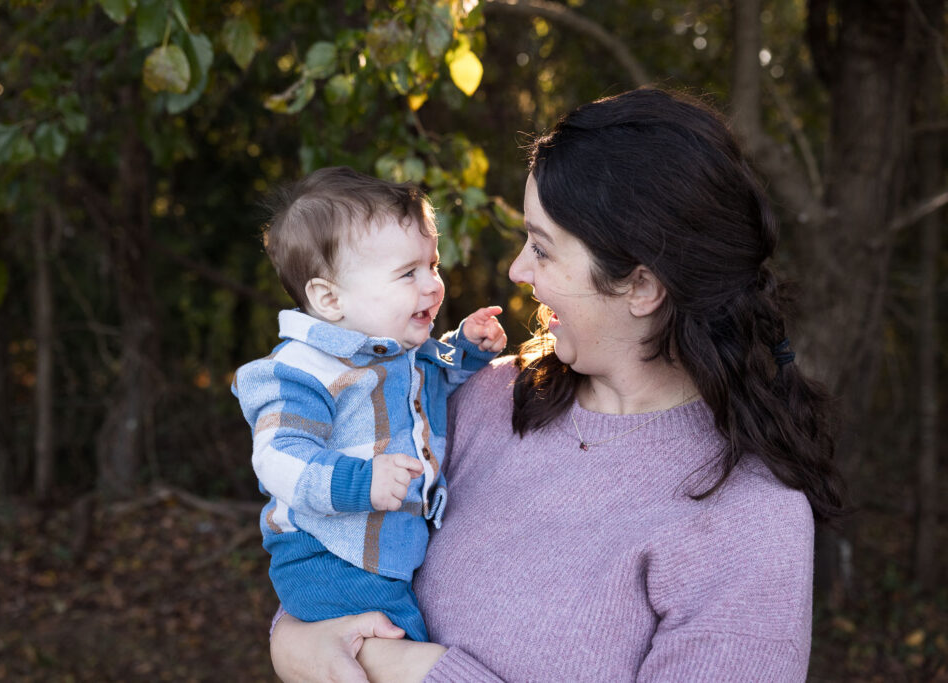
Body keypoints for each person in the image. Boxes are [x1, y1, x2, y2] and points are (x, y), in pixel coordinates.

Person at [268, 88, 845, 682]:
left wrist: (418, 669)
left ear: (642, 287)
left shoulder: (749, 521)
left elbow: (344, 651)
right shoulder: (483, 401)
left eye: (542, 248)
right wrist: (290, 642)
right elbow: (326, 587)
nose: (518, 271)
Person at [232, 166, 507, 644]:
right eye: (407, 273)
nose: (432, 285)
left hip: (382, 556)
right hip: (328, 556)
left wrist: (465, 349)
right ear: (329, 297)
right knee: (403, 645)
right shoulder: (303, 368)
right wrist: (361, 481)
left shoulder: (402, 351)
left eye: (433, 265)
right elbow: (276, 457)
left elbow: (437, 385)